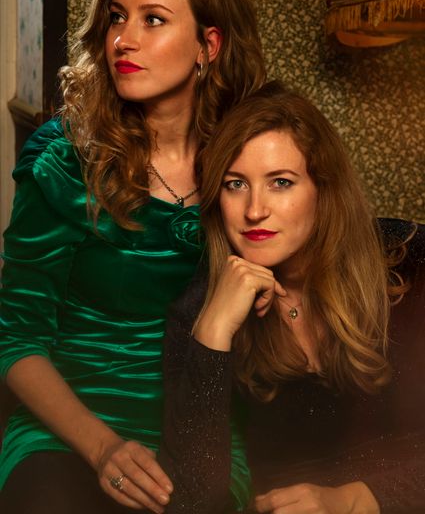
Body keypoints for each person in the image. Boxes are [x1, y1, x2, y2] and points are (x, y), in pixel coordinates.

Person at [0, 0, 266, 514]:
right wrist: (103, 449)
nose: (123, 39)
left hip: (199, 419)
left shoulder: (250, 158)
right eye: (117, 17)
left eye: (153, 20)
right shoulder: (64, 160)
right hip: (69, 424)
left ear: (208, 45)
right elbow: (16, 337)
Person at [159, 82, 425, 513]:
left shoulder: (410, 260)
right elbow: (194, 501)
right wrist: (213, 332)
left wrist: (357, 499)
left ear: (324, 187)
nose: (254, 210)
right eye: (235, 184)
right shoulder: (199, 312)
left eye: (280, 182)